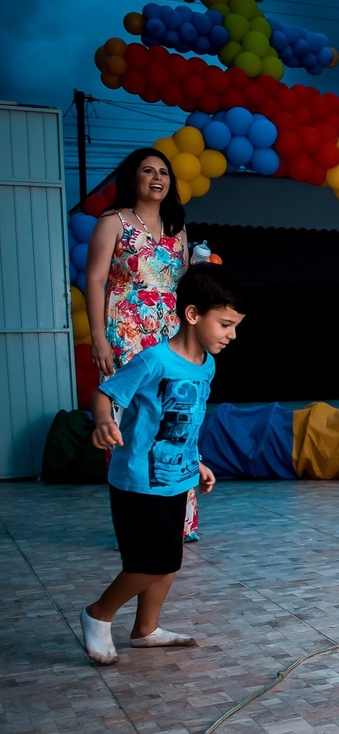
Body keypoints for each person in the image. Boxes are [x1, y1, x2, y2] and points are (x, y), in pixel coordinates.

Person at [79, 264, 247, 665]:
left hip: (178, 475)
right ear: (192, 315)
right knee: (153, 561)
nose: (232, 335)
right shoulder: (153, 360)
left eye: (236, 326)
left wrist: (198, 462)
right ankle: (97, 614)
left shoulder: (207, 364)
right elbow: (104, 394)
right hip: (138, 478)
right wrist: (104, 422)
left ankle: (145, 629)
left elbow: (184, 421)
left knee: (170, 557)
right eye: (225, 324)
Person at [84, 148, 202, 542]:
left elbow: (185, 284)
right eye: (147, 171)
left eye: (164, 172)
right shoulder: (112, 222)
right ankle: (135, 521)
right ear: (132, 178)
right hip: (126, 332)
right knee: (131, 420)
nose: (157, 178)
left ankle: (179, 520)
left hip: (170, 331)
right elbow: (96, 281)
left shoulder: (177, 227)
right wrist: (98, 337)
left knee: (176, 413)